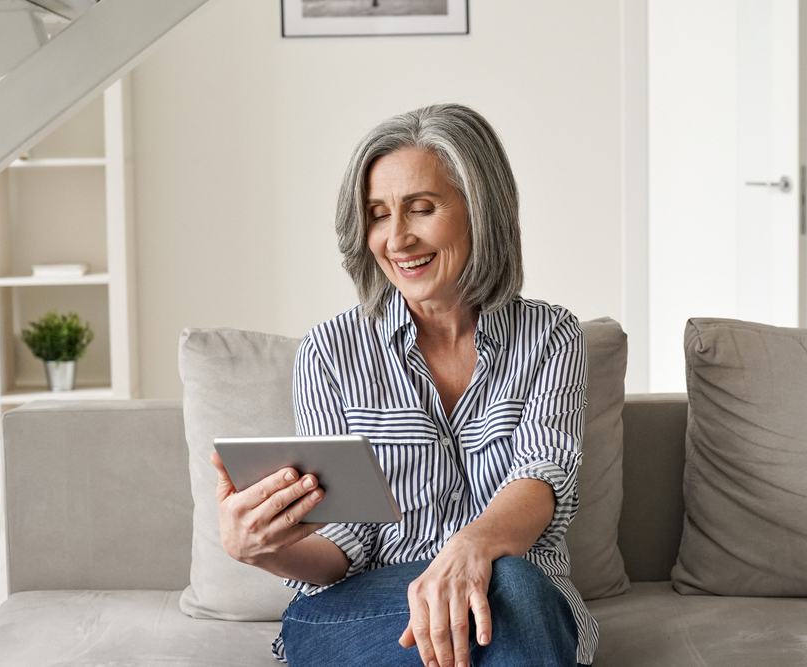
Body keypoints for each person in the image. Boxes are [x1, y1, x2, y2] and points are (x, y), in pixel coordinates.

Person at [210, 103, 597, 667]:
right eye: (377, 214)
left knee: (510, 587)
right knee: (505, 608)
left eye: (422, 209)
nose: (397, 239)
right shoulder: (331, 352)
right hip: (369, 611)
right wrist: (262, 552)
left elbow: (543, 479)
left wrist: (469, 548)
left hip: (516, 604)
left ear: (479, 210)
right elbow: (341, 545)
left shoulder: (550, 336)